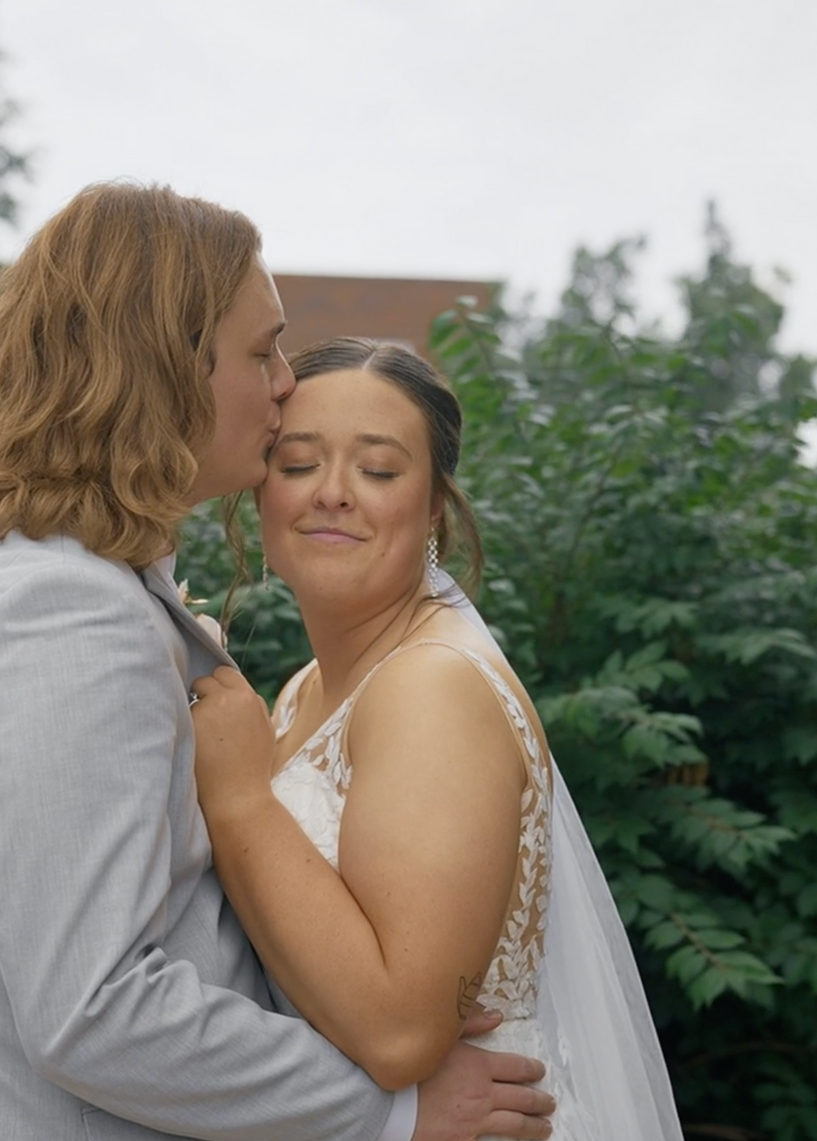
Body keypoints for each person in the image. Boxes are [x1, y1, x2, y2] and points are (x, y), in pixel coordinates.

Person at [0, 184, 556, 1141]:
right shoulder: (55, 612)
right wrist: (388, 1110)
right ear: (163, 362)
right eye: (260, 348)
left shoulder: (59, 577)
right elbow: (97, 1009)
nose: (285, 381)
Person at [189, 337, 686, 1140]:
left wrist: (239, 798)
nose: (335, 493)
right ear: (259, 494)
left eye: (379, 470)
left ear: (434, 509)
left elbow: (398, 1034)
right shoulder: (301, 691)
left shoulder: (433, 688)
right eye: (298, 463)